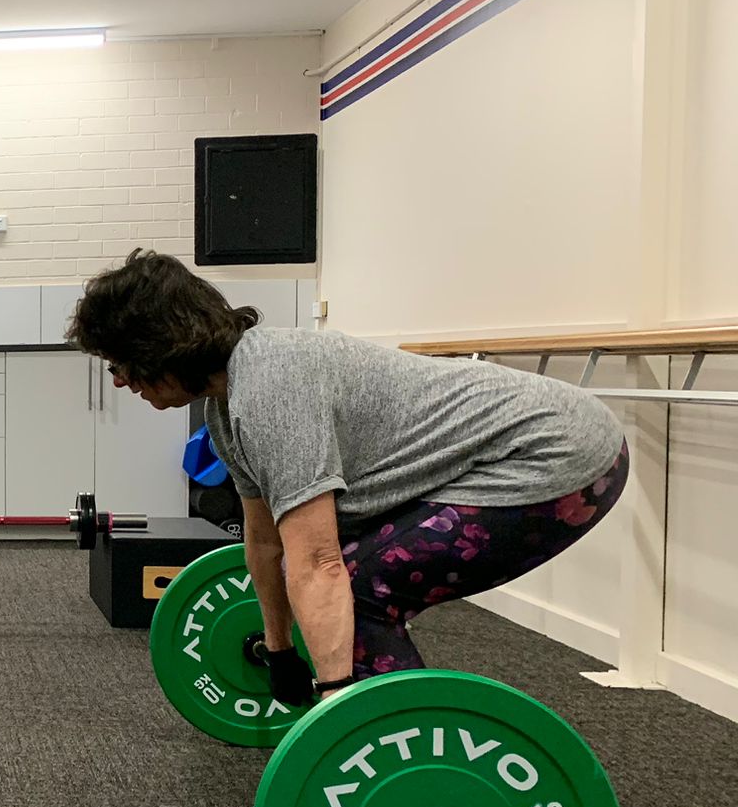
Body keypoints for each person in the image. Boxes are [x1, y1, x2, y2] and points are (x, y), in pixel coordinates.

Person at [68, 250, 627, 701]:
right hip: (516, 453)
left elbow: (319, 563)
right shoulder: (226, 408)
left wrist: (334, 705)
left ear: (158, 348)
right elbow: (264, 542)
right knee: (338, 571)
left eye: (120, 363)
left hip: (555, 453)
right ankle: (378, 723)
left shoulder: (270, 389)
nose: (118, 380)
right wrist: (279, 650)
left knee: (359, 586)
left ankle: (398, 755)